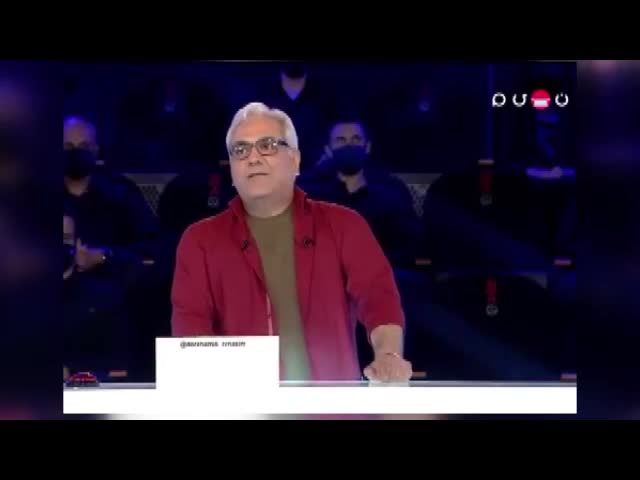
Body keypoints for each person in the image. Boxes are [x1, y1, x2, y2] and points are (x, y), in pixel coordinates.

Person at [171, 102, 412, 383]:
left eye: (268, 145)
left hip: (331, 404)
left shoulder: (343, 225)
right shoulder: (199, 241)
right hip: (244, 402)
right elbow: (191, 329)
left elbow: (378, 298)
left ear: (295, 160)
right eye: (241, 150)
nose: (253, 158)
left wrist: (388, 355)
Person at [299, 118, 422, 269]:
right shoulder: (311, 194)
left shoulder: (392, 192)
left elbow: (410, 242)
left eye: (356, 139)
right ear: (328, 150)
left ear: (367, 147)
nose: (349, 146)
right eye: (341, 140)